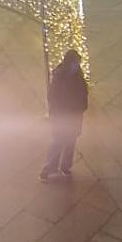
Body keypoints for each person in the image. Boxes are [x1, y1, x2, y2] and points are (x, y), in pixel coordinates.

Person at [39, 49, 88, 181]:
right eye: (75, 63)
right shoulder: (59, 76)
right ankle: (48, 168)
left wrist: (82, 106)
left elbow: (84, 93)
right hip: (62, 115)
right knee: (58, 141)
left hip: (74, 115)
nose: (76, 66)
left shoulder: (78, 75)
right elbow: (52, 96)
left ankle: (65, 166)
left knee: (70, 142)